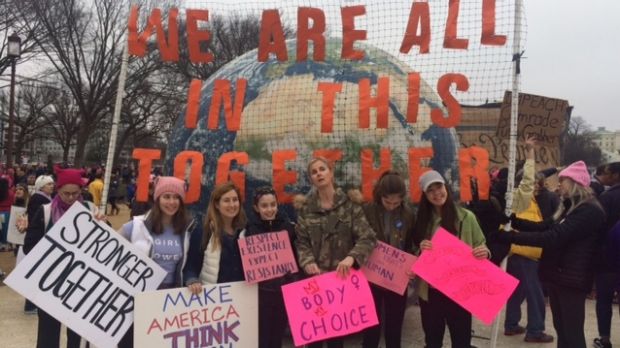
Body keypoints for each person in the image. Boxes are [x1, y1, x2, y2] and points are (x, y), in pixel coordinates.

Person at [498, 160, 606, 348]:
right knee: (561, 328)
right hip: (559, 275)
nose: (558, 185)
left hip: (573, 279)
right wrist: (515, 222)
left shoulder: (589, 210)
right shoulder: (570, 206)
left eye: (563, 181)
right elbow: (545, 226)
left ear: (574, 182)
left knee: (572, 333)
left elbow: (553, 236)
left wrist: (513, 237)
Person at [295, 157, 377, 348]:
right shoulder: (306, 209)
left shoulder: (349, 205)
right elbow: (301, 241)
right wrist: (307, 261)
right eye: (314, 172)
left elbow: (368, 237)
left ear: (330, 173)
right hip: (315, 282)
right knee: (313, 340)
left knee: (335, 339)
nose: (319, 174)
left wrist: (352, 257)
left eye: (322, 169)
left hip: (340, 283)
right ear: (311, 179)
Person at [412, 170, 489, 348]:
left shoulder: (466, 217)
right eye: (430, 190)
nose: (436, 193)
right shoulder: (422, 221)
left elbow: (481, 244)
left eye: (438, 186)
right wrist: (420, 250)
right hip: (431, 293)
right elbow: (413, 253)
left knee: (461, 342)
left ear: (445, 186)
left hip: (460, 291)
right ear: (425, 194)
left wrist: (484, 252)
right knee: (432, 342)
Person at [23, 168, 99, 348]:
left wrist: (104, 224)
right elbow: (29, 247)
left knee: (79, 334)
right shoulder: (45, 211)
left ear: (81, 191)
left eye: (75, 193)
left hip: (81, 284)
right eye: (66, 193)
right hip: (51, 283)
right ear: (58, 190)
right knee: (48, 332)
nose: (71, 198)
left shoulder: (90, 209)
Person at [117, 176, 197, 348]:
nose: (172, 202)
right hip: (138, 296)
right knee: (130, 342)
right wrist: (98, 223)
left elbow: (191, 263)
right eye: (166, 197)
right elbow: (108, 245)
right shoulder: (137, 225)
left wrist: (192, 279)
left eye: (176, 197)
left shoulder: (187, 229)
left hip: (170, 298)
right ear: (157, 199)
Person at [360, 171, 415, 348]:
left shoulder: (407, 213)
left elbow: (412, 243)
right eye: (387, 202)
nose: (391, 206)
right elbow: (358, 238)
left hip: (397, 278)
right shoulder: (367, 210)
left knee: (394, 328)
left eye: (396, 203)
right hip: (371, 278)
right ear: (379, 195)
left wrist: (413, 264)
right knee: (371, 328)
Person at [246, 186, 297, 348]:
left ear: (277, 204)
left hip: (282, 293)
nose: (269, 209)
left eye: (273, 204)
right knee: (262, 337)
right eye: (264, 206)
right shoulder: (249, 230)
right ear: (256, 208)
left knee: (277, 337)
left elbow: (295, 257)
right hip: (261, 294)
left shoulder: (288, 227)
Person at [184, 182, 247, 292]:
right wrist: (192, 280)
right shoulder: (203, 231)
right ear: (217, 205)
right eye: (226, 200)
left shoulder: (247, 231)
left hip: (242, 298)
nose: (232, 205)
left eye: (235, 200)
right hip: (214, 300)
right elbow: (191, 266)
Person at [593, 162, 620, 348]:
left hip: (607, 260)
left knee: (604, 300)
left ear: (617, 175)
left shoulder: (607, 197)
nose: (606, 176)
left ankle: (605, 339)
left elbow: (597, 228)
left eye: (609, 173)